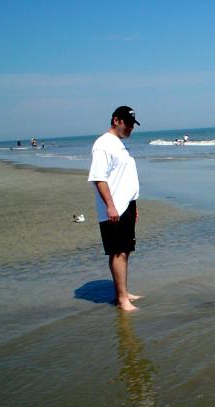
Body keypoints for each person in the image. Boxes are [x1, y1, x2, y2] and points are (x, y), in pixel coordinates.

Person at [88, 106, 142, 312]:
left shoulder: (119, 144)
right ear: (116, 120)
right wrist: (110, 206)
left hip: (126, 205)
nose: (130, 128)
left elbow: (124, 178)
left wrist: (133, 204)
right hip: (114, 208)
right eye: (127, 123)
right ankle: (121, 299)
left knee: (125, 250)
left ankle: (124, 293)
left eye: (132, 124)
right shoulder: (103, 144)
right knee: (118, 252)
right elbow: (98, 178)